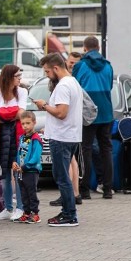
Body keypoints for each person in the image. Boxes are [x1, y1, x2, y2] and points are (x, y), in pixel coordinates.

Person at [35, 53, 83, 227]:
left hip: (62, 137)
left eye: (48, 71)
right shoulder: (73, 82)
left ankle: (69, 214)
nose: (47, 75)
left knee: (61, 177)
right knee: (62, 176)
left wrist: (44, 106)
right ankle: (68, 212)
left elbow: (61, 113)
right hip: (69, 136)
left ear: (56, 68)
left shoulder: (63, 86)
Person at [73, 36, 115, 200]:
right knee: (107, 150)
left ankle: (84, 190)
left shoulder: (80, 65)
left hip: (87, 113)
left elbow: (75, 88)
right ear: (98, 47)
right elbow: (110, 86)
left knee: (86, 150)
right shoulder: (108, 66)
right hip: (106, 112)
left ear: (84, 48)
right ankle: (107, 189)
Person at [0, 64, 27, 222]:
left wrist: (2, 115)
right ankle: (7, 207)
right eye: (17, 76)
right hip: (2, 137)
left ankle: (20, 206)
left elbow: (22, 113)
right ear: (9, 77)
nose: (20, 78)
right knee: (4, 171)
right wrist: (11, 114)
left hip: (17, 135)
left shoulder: (23, 92)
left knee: (17, 170)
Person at [14, 110, 42, 224]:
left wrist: (25, 167)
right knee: (23, 193)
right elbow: (19, 152)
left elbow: (35, 157)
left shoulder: (36, 139)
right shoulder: (22, 137)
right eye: (23, 123)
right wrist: (15, 163)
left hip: (30, 171)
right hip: (21, 170)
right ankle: (26, 213)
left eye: (28, 123)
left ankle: (35, 214)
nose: (25, 126)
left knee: (31, 193)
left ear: (34, 122)